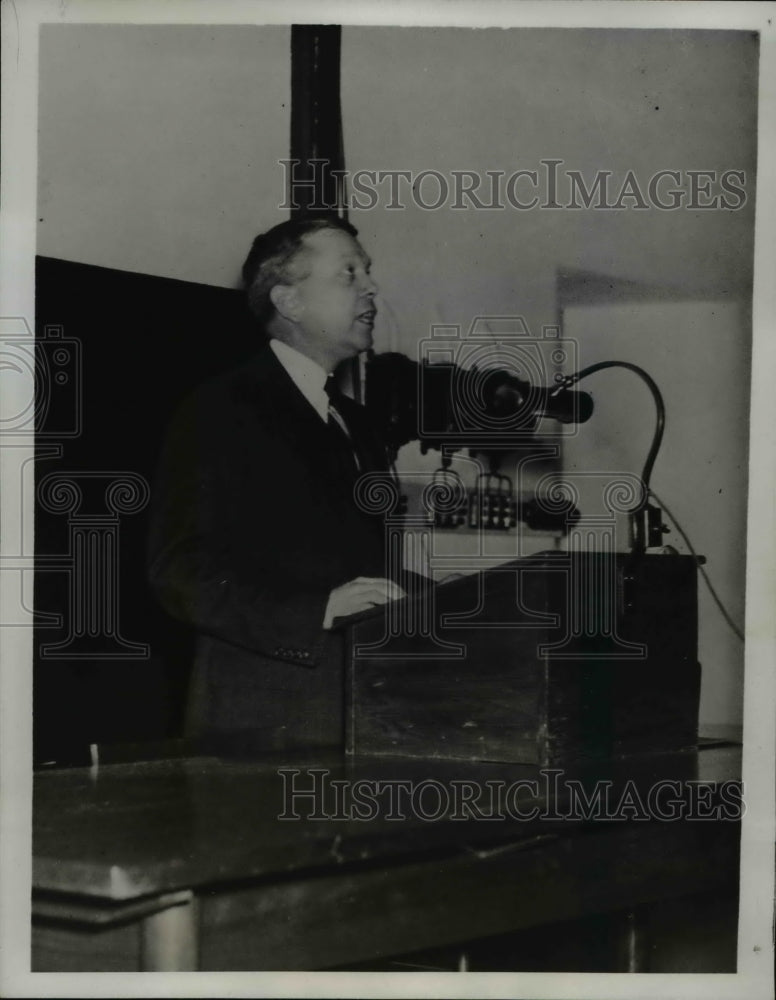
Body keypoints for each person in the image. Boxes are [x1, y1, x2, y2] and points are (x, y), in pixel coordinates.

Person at [148, 216, 413, 749]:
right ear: (289, 303)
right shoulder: (222, 409)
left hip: (363, 715)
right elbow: (180, 571)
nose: (372, 287)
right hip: (263, 729)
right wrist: (317, 610)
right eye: (348, 274)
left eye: (368, 271)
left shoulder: (356, 424)